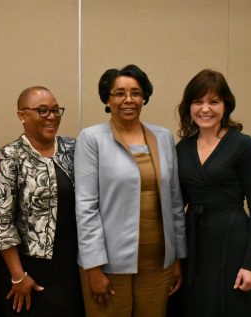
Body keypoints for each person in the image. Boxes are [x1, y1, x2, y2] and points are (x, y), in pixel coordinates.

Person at [74, 64, 186, 317]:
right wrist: (93, 267)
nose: (128, 100)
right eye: (119, 93)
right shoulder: (92, 139)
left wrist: (177, 258)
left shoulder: (163, 137)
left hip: (158, 263)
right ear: (107, 98)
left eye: (135, 93)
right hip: (109, 264)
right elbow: (85, 207)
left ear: (144, 97)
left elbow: (175, 203)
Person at [176, 69, 251, 317]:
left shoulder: (244, 145)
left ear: (226, 105)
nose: (205, 109)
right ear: (189, 106)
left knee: (231, 306)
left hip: (232, 238)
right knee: (196, 305)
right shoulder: (183, 148)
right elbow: (176, 203)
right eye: (198, 102)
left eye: (213, 102)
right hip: (194, 240)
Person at [0, 86, 85, 316]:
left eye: (55, 110)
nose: (52, 117)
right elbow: (0, 223)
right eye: (42, 111)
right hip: (28, 271)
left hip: (71, 265)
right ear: (22, 115)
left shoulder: (73, 149)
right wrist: (18, 275)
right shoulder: (8, 157)